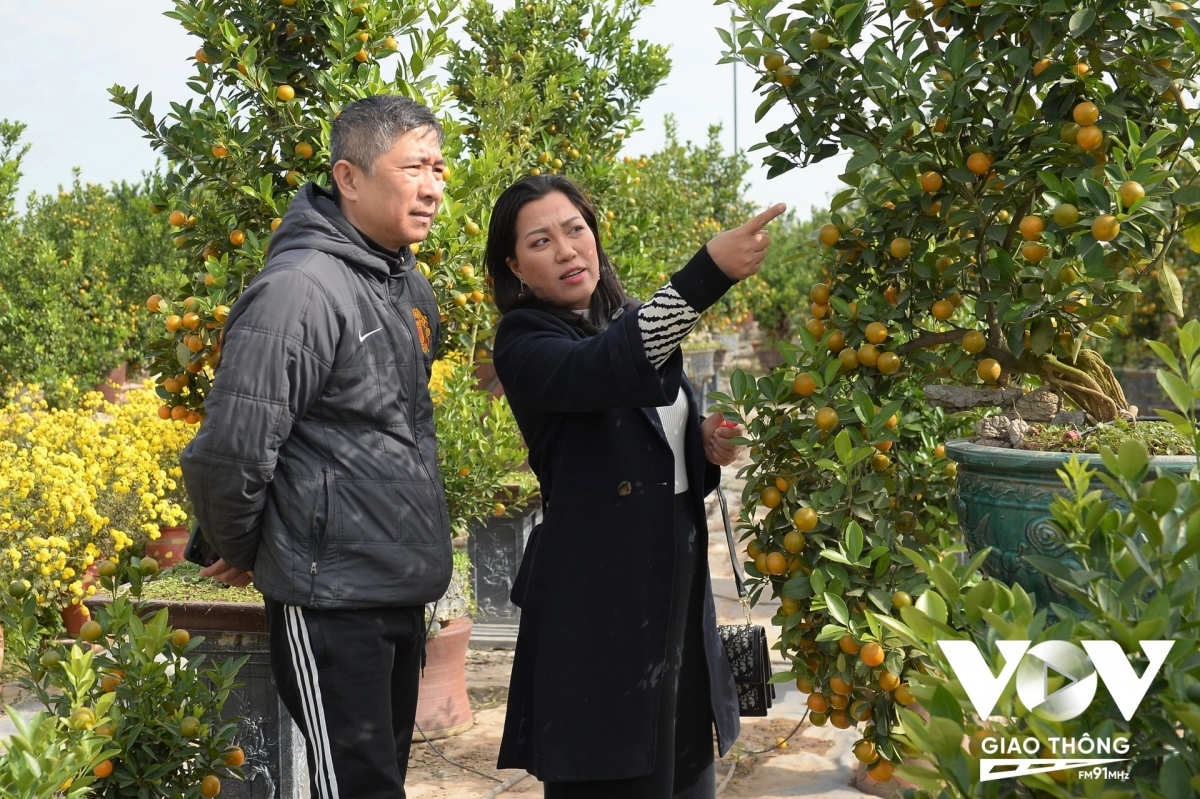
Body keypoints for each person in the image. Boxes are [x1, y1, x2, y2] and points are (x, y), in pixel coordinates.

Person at [180, 95, 452, 799]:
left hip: (394, 582)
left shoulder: (407, 285)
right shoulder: (300, 289)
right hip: (332, 596)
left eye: (440, 168)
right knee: (353, 787)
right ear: (350, 177)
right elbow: (231, 452)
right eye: (415, 167)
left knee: (376, 778)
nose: (433, 186)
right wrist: (250, 548)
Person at [485, 174, 786, 798]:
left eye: (575, 230)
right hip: (598, 604)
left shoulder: (625, 321)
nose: (568, 249)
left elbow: (648, 426)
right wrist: (705, 274)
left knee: (682, 776)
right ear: (515, 266)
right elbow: (600, 372)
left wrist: (700, 441)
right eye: (541, 241)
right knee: (614, 775)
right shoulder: (526, 342)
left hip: (673, 592)